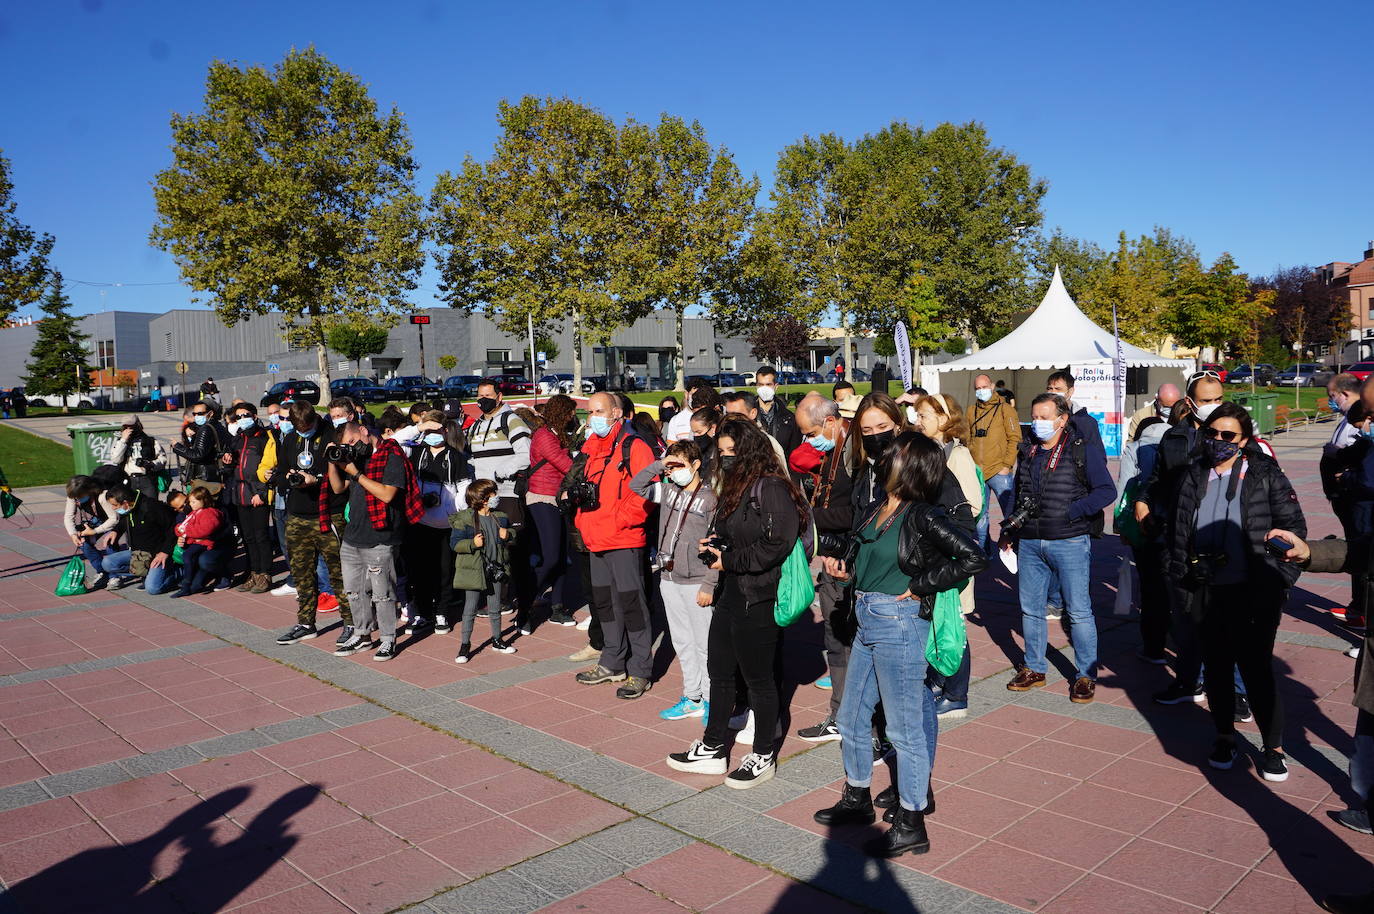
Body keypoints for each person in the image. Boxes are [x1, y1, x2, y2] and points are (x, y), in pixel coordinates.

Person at [812, 432, 987, 856]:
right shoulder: (879, 508)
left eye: (895, 454)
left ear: (912, 468)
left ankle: (912, 821)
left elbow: (972, 556)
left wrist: (921, 585)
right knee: (852, 718)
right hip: (868, 617)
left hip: (900, 625)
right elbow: (862, 552)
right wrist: (840, 561)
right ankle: (857, 799)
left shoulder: (923, 515)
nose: (885, 457)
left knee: (903, 729)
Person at [1162, 402, 1304, 780]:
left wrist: (1279, 580)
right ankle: (1224, 735)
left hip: (1254, 591)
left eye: (1228, 436)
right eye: (1212, 433)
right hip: (1205, 589)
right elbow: (1175, 532)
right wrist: (1178, 577)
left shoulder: (1263, 474)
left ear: (1244, 441)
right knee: (1219, 671)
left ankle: (1273, 747)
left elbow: (1294, 531)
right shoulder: (1192, 475)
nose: (1219, 441)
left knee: (1257, 672)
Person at [666, 417, 805, 788]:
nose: (726, 458)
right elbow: (732, 533)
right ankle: (713, 747)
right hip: (731, 592)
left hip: (759, 594)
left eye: (733, 452)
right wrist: (714, 546)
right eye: (723, 452)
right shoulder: (735, 487)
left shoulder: (772, 487)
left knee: (759, 678)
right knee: (720, 670)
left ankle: (762, 753)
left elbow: (777, 544)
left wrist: (730, 559)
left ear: (751, 452)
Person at [1002, 393, 1115, 703]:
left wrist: (1072, 511)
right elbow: (1018, 491)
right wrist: (1010, 527)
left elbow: (1107, 490)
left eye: (1043, 417)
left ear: (1062, 420)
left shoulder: (1082, 451)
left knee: (1078, 611)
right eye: (1034, 416)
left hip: (1070, 541)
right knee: (1030, 609)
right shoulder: (1029, 450)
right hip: (1030, 541)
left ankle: (1084, 675)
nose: (1037, 422)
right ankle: (1035, 668)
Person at [1136, 370, 1234, 705]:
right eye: (1207, 401)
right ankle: (1189, 681)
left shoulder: (1230, 433)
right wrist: (1143, 501)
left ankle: (1234, 692)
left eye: (1219, 398)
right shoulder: (1173, 437)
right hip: (1177, 538)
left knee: (1222, 620)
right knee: (1184, 617)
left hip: (1218, 537)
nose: (1215, 405)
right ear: (1190, 403)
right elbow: (1158, 478)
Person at [572, 393, 657, 698]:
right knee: (605, 605)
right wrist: (583, 519)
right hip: (595, 538)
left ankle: (640, 669)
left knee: (632, 605)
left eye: (599, 411)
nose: (593, 417)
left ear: (617, 413)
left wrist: (622, 519)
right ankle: (612, 661)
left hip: (623, 538)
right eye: (590, 411)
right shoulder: (591, 448)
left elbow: (646, 491)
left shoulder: (634, 446)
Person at [630, 440, 718, 721]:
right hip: (669, 576)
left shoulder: (711, 498)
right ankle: (691, 695)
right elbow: (636, 486)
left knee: (705, 644)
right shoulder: (668, 490)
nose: (674, 471)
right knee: (682, 641)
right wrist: (659, 465)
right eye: (671, 465)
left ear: (696, 465)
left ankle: (710, 699)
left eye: (680, 465)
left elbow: (717, 546)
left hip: (697, 582)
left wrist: (709, 584)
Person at [328, 411, 421, 661]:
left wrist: (356, 473)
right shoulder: (356, 457)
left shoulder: (390, 455)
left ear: (364, 432)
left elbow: (388, 494)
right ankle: (362, 633)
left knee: (383, 593)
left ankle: (388, 638)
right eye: (345, 446)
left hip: (381, 535)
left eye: (351, 441)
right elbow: (338, 488)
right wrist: (333, 461)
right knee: (354, 592)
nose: (350, 447)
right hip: (353, 536)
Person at [912, 393, 983, 717]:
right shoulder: (935, 452)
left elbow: (972, 506)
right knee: (938, 623)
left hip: (953, 558)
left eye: (924, 415)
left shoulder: (958, 456)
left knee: (953, 626)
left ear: (944, 418)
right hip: (934, 558)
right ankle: (941, 680)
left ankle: (957, 694)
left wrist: (942, 533)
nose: (918, 421)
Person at [791, 394, 856, 742]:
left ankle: (861, 721)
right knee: (835, 639)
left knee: (854, 642)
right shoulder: (830, 448)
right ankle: (839, 714)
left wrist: (811, 517)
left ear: (831, 422)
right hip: (832, 555)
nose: (807, 440)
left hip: (853, 560)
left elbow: (859, 513)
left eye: (810, 431)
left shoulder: (856, 452)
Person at [272, 401, 354, 648]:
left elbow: (343, 475)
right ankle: (306, 623)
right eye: (298, 427)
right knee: (301, 573)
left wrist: (315, 480)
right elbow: (281, 473)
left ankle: (351, 623)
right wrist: (288, 478)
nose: (303, 430)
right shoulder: (289, 439)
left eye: (307, 426)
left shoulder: (332, 436)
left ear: (314, 421)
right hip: (298, 515)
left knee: (339, 573)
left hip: (329, 513)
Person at [466, 380, 531, 622]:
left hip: (506, 494)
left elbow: (526, 454)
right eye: (479, 395)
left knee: (509, 548)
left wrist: (497, 474)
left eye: (488, 395)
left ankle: (510, 599)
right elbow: (473, 458)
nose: (483, 399)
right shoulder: (476, 426)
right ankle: (496, 597)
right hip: (482, 499)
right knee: (490, 547)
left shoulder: (511, 420)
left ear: (499, 396)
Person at [407, 411, 470, 634]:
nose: (433, 435)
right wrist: (418, 429)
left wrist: (453, 511)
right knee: (421, 571)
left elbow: (464, 489)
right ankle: (423, 613)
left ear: (445, 430)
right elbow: (392, 443)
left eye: (437, 431)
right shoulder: (416, 453)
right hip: (420, 522)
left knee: (445, 571)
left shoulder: (456, 457)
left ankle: (442, 612)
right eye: (428, 431)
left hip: (446, 524)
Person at [451, 479, 516, 662]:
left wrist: (508, 534)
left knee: (495, 607)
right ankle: (465, 645)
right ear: (484, 498)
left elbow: (512, 535)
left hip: (496, 568)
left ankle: (497, 639)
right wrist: (472, 543)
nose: (497, 496)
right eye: (494, 493)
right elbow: (455, 543)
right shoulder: (465, 518)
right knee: (470, 607)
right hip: (473, 570)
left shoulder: (500, 516)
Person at [526, 395, 577, 627]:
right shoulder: (544, 435)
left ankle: (557, 607)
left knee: (563, 559)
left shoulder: (558, 434)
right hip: (543, 498)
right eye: (570, 413)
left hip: (559, 499)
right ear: (561, 412)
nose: (573, 417)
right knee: (551, 557)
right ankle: (526, 602)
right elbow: (565, 465)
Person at [1322, 372, 1366, 628]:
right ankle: (1358, 604)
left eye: (1332, 396)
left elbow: (1362, 462)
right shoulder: (1350, 418)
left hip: (1354, 498)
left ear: (1345, 393)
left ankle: (1361, 609)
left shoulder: (1361, 419)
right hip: (1345, 498)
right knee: (1355, 549)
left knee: (1359, 552)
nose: (1331, 401)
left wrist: (1341, 462)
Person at [223, 403, 276, 593]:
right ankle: (253, 572)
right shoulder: (237, 439)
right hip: (240, 493)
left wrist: (260, 492)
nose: (242, 419)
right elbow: (232, 468)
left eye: (245, 415)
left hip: (257, 492)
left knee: (261, 535)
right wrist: (227, 462)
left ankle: (265, 573)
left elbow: (268, 467)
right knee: (248, 537)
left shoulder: (263, 437)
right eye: (238, 417)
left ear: (253, 416)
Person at [967, 374, 1020, 552]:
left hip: (999, 470)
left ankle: (1016, 546)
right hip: (977, 471)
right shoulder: (970, 410)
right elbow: (967, 439)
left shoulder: (1006, 409)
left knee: (1010, 513)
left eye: (984, 387)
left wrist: (1007, 465)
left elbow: (1015, 439)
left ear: (991, 386)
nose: (981, 391)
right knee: (981, 516)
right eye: (977, 388)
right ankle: (984, 550)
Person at [100, 483, 180, 595]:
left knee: (153, 588)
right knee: (108, 563)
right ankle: (144, 571)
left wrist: (164, 552)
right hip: (138, 553)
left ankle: (176, 572)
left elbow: (173, 529)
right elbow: (125, 519)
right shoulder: (129, 508)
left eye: (115, 505)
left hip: (158, 554)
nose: (113, 508)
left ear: (125, 503)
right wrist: (115, 531)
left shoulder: (152, 507)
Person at [170, 486, 228, 598]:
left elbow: (204, 531)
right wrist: (183, 533)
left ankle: (188, 583)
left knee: (190, 556)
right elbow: (181, 527)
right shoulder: (194, 513)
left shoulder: (210, 513)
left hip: (208, 543)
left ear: (204, 500)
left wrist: (186, 532)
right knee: (187, 556)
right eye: (190, 502)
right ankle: (188, 582)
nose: (190, 505)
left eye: (193, 502)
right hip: (197, 542)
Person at [63, 475, 118, 588]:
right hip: (97, 519)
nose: (77, 500)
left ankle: (115, 576)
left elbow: (114, 519)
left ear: (90, 490)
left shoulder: (103, 495)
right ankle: (102, 572)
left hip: (114, 521)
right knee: (84, 543)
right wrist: (73, 534)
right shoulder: (74, 496)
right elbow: (68, 516)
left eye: (79, 497)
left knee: (109, 542)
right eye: (75, 498)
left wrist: (95, 531)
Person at [722, 391, 788, 469]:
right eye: (728, 414)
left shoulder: (768, 443)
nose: (730, 419)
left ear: (753, 413)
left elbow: (780, 477)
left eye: (737, 415)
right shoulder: (722, 440)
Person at [109, 416, 169, 501]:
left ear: (138, 425)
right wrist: (123, 440)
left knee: (151, 506)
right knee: (131, 507)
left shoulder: (150, 441)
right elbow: (116, 459)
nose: (129, 429)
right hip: (129, 479)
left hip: (147, 479)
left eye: (131, 426)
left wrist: (151, 464)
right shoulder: (120, 442)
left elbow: (163, 459)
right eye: (126, 427)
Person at [173, 401, 225, 492]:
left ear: (211, 413)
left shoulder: (205, 429)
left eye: (200, 413)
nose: (196, 416)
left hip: (204, 476)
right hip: (216, 473)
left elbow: (197, 455)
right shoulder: (218, 425)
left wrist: (177, 447)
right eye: (194, 414)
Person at [754, 366, 802, 456]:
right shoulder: (748, 415)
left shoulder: (789, 418)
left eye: (768, 384)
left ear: (776, 386)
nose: (764, 388)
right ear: (756, 386)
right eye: (761, 385)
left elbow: (794, 451)